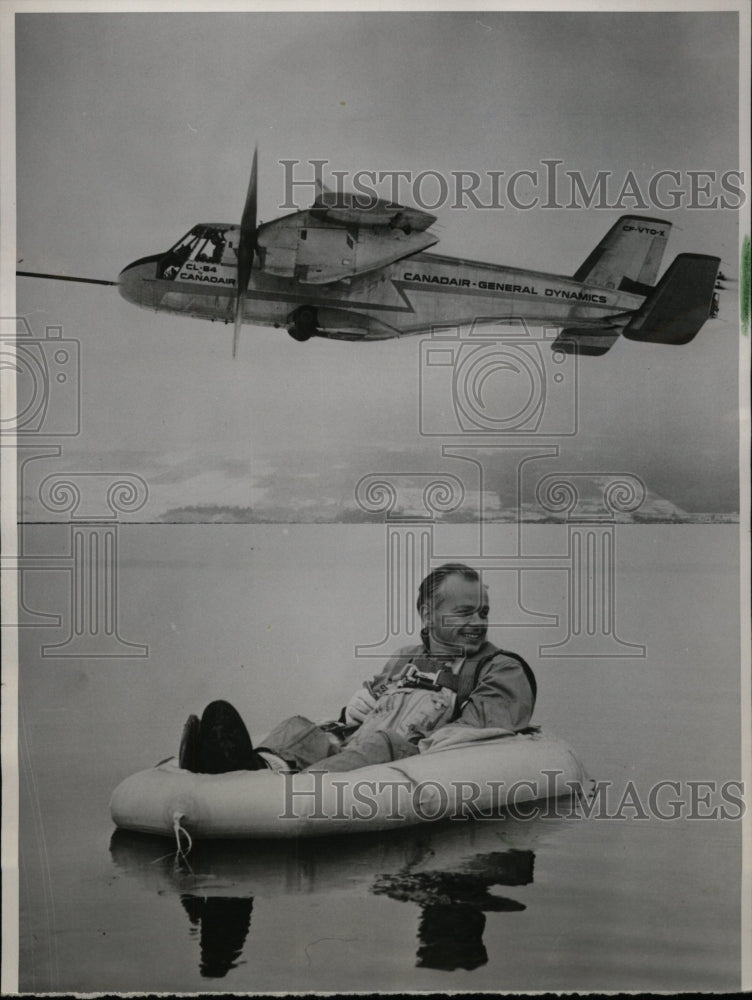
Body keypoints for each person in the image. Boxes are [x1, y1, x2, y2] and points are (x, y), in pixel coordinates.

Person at [178, 563, 537, 774]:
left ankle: (278, 790)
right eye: (465, 612)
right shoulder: (404, 658)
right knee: (299, 727)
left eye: (483, 612)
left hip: (410, 762)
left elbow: (473, 739)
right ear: (428, 615)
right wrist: (352, 713)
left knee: (379, 743)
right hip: (356, 753)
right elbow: (360, 716)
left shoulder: (501, 669)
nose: (478, 622)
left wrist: (395, 737)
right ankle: (252, 768)